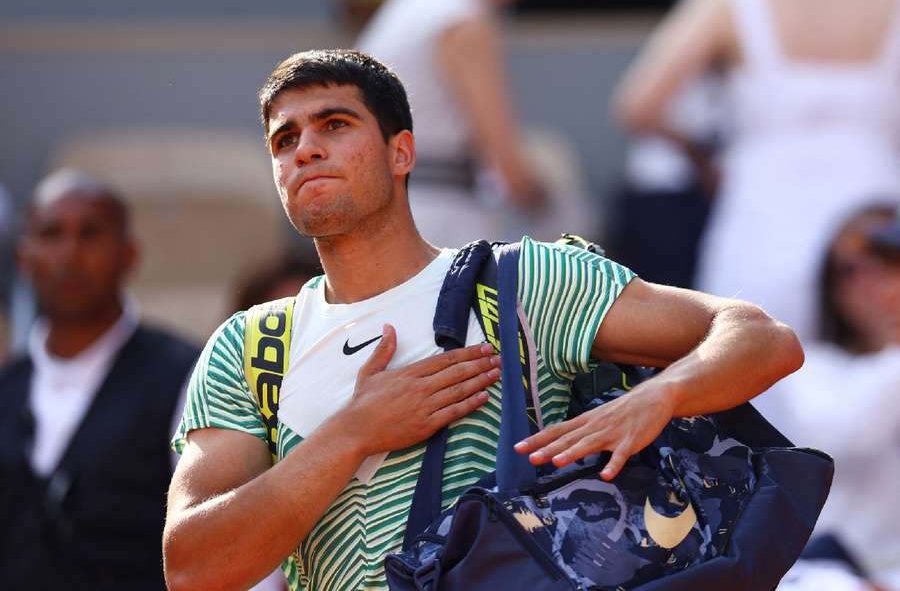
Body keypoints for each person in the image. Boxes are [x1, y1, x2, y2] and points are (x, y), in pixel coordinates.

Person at [162, 49, 804, 591]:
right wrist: (354, 432)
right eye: (285, 139)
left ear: (401, 152)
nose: (306, 150)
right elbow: (192, 569)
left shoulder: (526, 280)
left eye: (334, 124)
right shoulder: (248, 347)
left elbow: (763, 339)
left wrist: (663, 395)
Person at [614, 0, 900, 341]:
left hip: (764, 222)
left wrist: (703, 160)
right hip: (879, 234)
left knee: (749, 367)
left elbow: (639, 105)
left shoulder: (731, 0)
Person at [0, 169, 199, 589]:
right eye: (51, 234)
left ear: (129, 254)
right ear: (24, 257)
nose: (70, 254)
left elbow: (218, 537)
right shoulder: (6, 387)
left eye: (90, 234)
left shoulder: (186, 375)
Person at [755, 204, 900, 589]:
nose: (873, 283)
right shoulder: (806, 365)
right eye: (850, 269)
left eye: (888, 260)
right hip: (824, 570)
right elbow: (845, 433)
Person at [356, 0, 546, 247]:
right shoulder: (461, 19)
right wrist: (550, 205)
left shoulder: (414, 3)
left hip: (379, 202)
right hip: (436, 215)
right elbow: (507, 165)